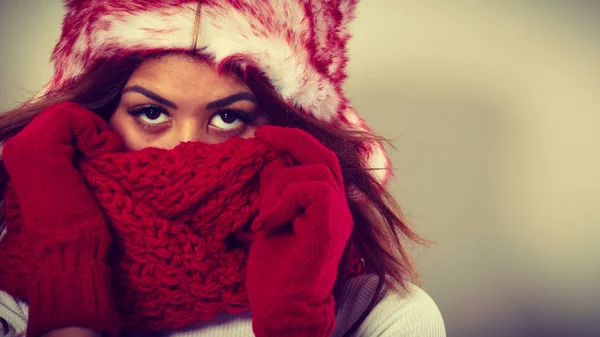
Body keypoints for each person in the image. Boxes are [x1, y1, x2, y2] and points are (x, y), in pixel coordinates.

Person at [0, 1, 445, 336]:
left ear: (286, 131)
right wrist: (68, 276)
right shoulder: (12, 295)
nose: (185, 148)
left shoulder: (379, 313)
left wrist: (297, 317)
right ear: (93, 119)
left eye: (228, 118)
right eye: (151, 113)